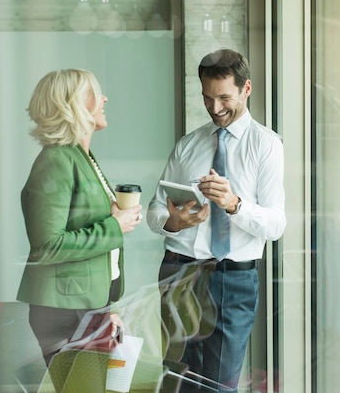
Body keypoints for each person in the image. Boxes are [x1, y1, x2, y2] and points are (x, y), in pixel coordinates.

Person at [147, 49, 286, 392]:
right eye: (208, 98)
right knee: (176, 382)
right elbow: (154, 212)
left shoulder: (265, 145)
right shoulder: (188, 145)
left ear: (246, 89)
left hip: (232, 281)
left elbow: (275, 225)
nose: (215, 108)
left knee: (219, 386)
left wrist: (234, 203)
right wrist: (174, 221)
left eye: (224, 97)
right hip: (179, 274)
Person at [16, 69, 143, 367]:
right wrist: (115, 226)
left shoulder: (80, 156)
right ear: (73, 104)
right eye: (95, 93)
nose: (104, 99)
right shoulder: (56, 160)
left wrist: (108, 307)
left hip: (87, 306)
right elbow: (48, 245)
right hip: (65, 309)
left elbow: (83, 223)